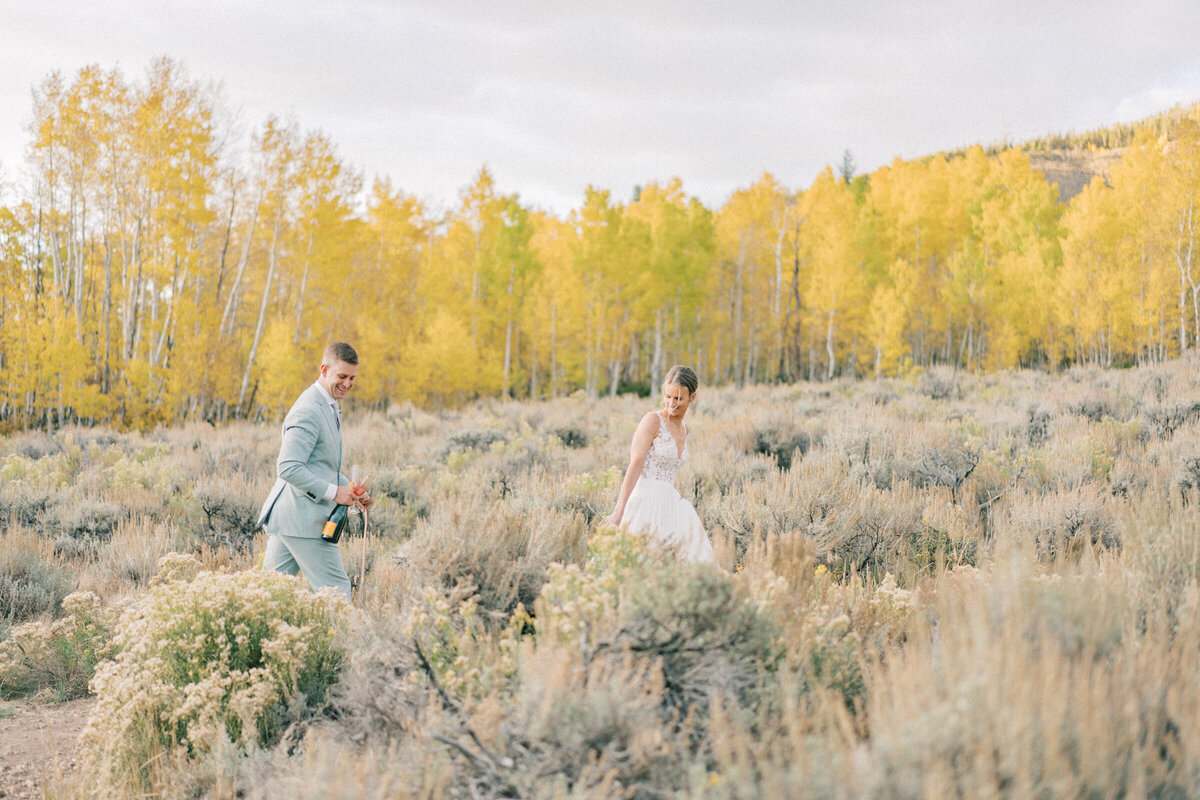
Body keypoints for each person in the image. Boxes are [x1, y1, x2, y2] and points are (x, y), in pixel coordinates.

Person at [256, 342, 373, 599]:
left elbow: (318, 465)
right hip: (301, 517)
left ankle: (254, 639)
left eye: (352, 378)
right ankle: (337, 642)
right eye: (342, 376)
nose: (348, 383)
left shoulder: (327, 404)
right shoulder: (309, 409)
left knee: (268, 598)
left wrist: (351, 490)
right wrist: (335, 493)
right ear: (324, 369)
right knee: (336, 591)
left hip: (290, 517)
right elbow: (288, 467)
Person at [601, 365, 716, 564]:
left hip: (671, 504)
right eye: (668, 396)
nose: (672, 403)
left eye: (679, 398)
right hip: (645, 502)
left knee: (683, 562)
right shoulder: (652, 420)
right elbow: (634, 466)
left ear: (692, 398)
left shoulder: (685, 429)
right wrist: (618, 513)